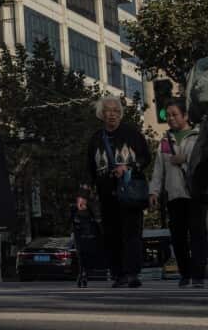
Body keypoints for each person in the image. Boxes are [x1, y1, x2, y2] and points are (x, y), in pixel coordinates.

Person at [78, 96, 149, 288]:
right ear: (101, 114)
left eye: (116, 111)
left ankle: (132, 273)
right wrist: (83, 195)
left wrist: (128, 167)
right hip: (106, 194)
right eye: (109, 110)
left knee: (132, 234)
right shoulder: (95, 139)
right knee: (111, 234)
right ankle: (118, 274)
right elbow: (89, 170)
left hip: (130, 193)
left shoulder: (132, 134)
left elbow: (145, 157)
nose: (113, 114)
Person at [150, 99, 207, 288]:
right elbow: (158, 169)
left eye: (175, 114)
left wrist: (185, 159)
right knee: (178, 237)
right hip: (174, 195)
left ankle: (198, 274)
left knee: (198, 235)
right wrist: (154, 192)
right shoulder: (165, 141)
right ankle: (185, 273)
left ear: (185, 116)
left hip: (195, 194)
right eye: (168, 115)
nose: (171, 118)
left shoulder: (199, 136)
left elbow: (206, 162)